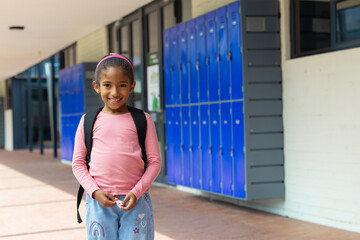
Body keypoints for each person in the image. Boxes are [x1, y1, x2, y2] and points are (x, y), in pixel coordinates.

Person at [72, 53, 161, 240]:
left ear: (132, 86)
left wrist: (136, 192)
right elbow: (78, 163)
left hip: (136, 201)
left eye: (122, 85)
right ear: (96, 87)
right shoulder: (88, 121)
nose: (114, 92)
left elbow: (154, 162)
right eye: (107, 85)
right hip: (99, 202)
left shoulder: (143, 120)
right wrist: (94, 192)